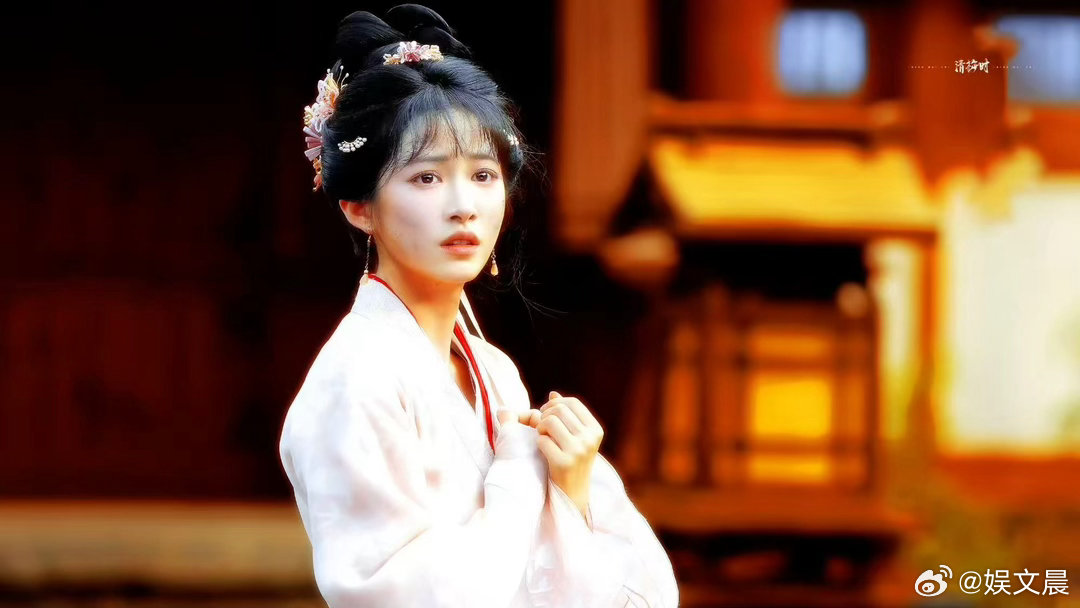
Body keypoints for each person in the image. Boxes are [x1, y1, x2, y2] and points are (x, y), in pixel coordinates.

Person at [278, 5, 679, 607]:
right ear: (359, 207)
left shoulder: (493, 371)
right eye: (426, 178)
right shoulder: (355, 380)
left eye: (484, 175)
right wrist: (524, 472)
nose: (463, 205)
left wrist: (571, 486)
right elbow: (397, 595)